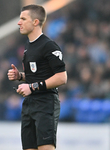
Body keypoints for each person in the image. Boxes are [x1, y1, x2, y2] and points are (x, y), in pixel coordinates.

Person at [7, 4, 67, 150]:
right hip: (29, 104)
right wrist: (20, 76)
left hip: (45, 104)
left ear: (35, 22)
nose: (19, 22)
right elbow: (37, 75)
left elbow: (61, 77)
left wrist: (32, 87)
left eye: (23, 19)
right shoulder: (28, 46)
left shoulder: (49, 46)